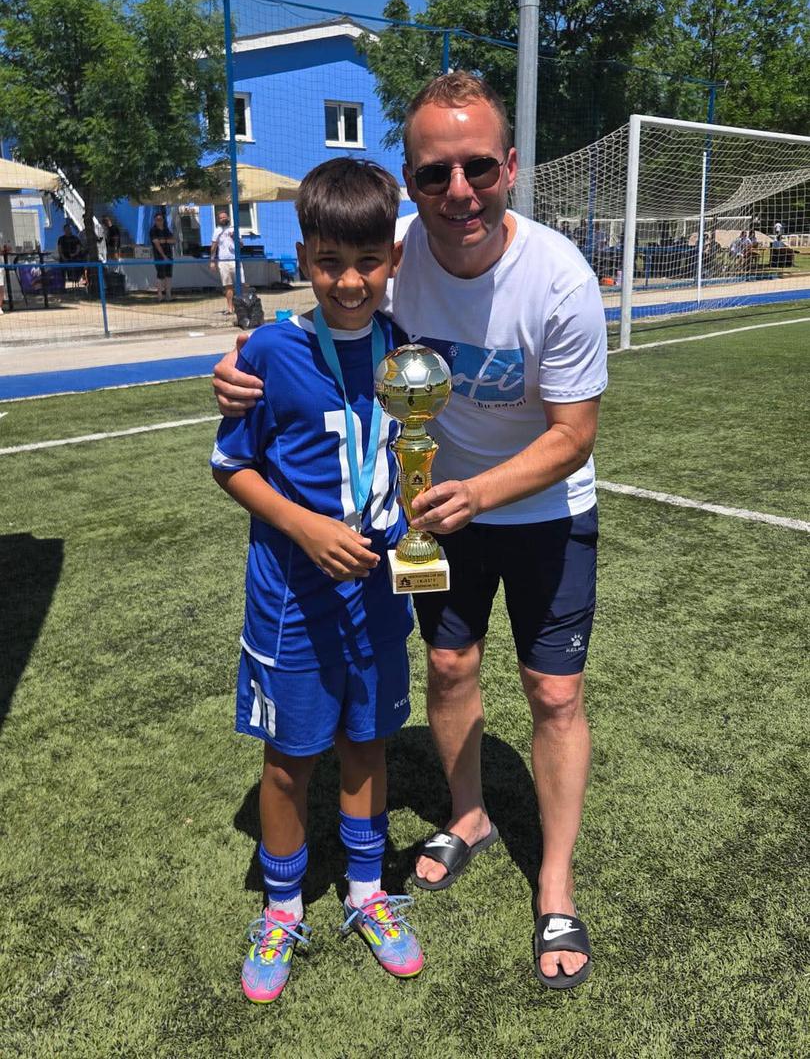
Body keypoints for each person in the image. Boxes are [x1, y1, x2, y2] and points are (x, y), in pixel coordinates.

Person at [213, 72, 608, 990]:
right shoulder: (390, 247)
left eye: (478, 168)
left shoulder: (561, 278)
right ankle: (465, 818)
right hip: (431, 517)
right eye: (435, 174)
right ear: (413, 183)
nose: (458, 191)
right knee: (448, 667)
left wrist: (479, 494)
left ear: (510, 167)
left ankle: (554, 885)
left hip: (540, 505)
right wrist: (237, 361)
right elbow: (321, 292)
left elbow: (574, 435)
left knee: (553, 694)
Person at [210, 157, 424, 1004]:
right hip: (292, 600)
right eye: (330, 262)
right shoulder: (270, 350)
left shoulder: (408, 354)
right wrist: (304, 526)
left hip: (377, 593)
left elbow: (408, 457)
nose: (349, 281)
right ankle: (282, 907)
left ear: (392, 259)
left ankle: (369, 893)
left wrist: (425, 509)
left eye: (368, 261)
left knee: (367, 741)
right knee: (290, 758)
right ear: (304, 258)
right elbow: (230, 465)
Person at [210, 210, 245, 315]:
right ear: (218, 220)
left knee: (241, 284)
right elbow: (213, 247)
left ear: (228, 217)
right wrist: (212, 261)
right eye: (220, 218)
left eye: (224, 217)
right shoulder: (217, 231)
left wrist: (234, 238)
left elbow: (241, 245)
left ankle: (243, 306)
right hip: (223, 261)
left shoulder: (235, 229)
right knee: (228, 285)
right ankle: (230, 308)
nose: (223, 219)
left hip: (235, 259)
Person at [149, 212, 175, 301]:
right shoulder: (153, 230)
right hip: (159, 257)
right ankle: (160, 296)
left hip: (169, 255)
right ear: (155, 220)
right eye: (157, 220)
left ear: (163, 220)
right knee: (160, 275)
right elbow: (157, 245)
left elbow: (173, 240)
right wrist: (164, 256)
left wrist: (164, 241)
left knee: (169, 275)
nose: (159, 221)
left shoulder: (166, 230)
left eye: (160, 219)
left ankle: (168, 295)